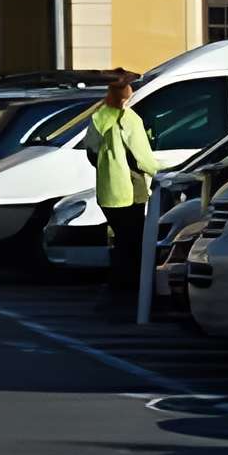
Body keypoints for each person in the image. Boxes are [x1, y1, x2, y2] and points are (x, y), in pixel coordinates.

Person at [82, 69, 156, 316]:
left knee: (119, 241)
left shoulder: (99, 117)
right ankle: (128, 293)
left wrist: (107, 168)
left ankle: (116, 289)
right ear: (126, 95)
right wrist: (166, 171)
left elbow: (91, 152)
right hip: (131, 189)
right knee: (133, 243)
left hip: (108, 190)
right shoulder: (130, 119)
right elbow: (142, 158)